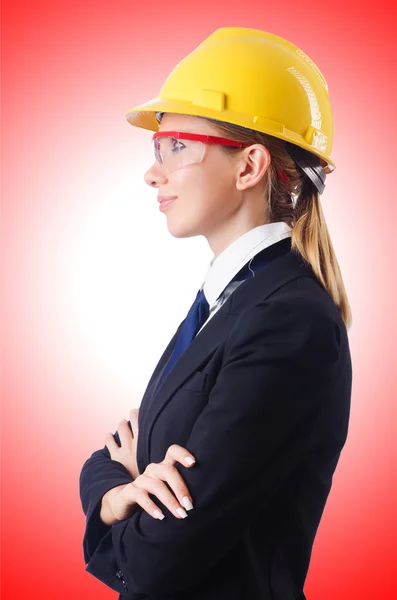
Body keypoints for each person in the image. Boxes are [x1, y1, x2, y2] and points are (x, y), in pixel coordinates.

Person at [79, 27, 352, 600]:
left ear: (249, 166)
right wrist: (114, 490)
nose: (153, 173)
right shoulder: (232, 301)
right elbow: (112, 454)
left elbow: (156, 562)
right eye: (157, 150)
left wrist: (113, 497)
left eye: (176, 145)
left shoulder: (288, 321)